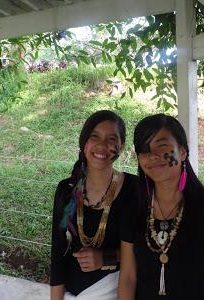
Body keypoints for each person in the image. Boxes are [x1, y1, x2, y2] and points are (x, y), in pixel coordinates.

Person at [119, 114, 204, 300]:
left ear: (182, 151)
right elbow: (128, 278)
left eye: (162, 145)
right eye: (144, 149)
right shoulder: (134, 209)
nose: (153, 156)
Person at [50, 110, 139, 300]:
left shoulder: (134, 189)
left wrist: (105, 258)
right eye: (94, 136)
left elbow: (147, 250)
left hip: (119, 290)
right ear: (84, 143)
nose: (102, 145)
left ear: (121, 146)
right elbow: (58, 253)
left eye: (111, 139)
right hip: (72, 293)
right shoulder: (67, 190)